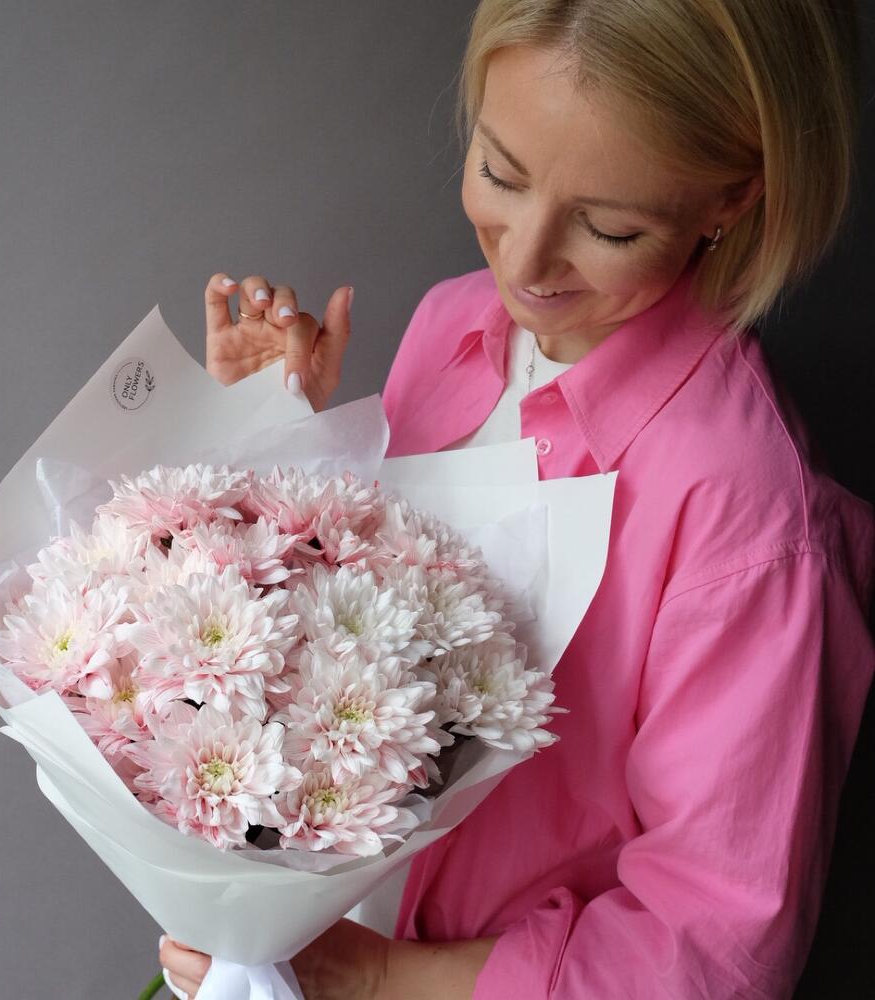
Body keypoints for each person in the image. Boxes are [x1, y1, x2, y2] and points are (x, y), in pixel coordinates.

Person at [160, 1, 875, 996]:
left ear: (731, 198)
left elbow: (710, 953)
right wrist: (273, 441)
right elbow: (369, 645)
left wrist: (372, 981)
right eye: (500, 172)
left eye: (609, 227)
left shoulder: (750, 519)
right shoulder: (452, 324)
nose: (526, 263)